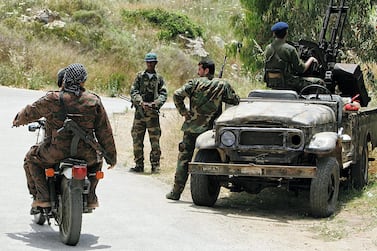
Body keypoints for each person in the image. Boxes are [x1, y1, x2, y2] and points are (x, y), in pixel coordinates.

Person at [13, 63, 117, 210]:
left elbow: (31, 111)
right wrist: (111, 157)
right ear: (83, 81)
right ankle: (91, 197)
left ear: (65, 79)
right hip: (86, 154)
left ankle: (42, 197)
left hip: (55, 152)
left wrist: (18, 120)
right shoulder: (93, 101)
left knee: (31, 158)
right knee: (97, 161)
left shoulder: (53, 98)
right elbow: (105, 132)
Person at [166, 59, 240, 200]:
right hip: (211, 131)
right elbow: (235, 100)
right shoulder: (221, 84)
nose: (197, 72)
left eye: (199, 69)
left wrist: (184, 112)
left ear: (206, 70)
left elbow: (177, 95)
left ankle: (176, 192)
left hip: (192, 128)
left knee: (183, 159)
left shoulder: (194, 83)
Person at [130, 52, 167, 173]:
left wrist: (155, 104)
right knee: (137, 139)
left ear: (156, 63)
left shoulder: (159, 78)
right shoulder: (140, 76)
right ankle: (139, 164)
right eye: (148, 62)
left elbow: (163, 94)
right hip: (140, 114)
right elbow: (133, 91)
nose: (150, 64)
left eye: (152, 62)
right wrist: (141, 102)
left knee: (155, 141)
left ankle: (155, 165)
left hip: (153, 115)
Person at [264, 21, 323, 92]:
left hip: (273, 83)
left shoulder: (268, 48)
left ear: (274, 34)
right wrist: (311, 59)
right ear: (286, 33)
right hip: (288, 83)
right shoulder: (290, 49)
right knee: (320, 83)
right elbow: (301, 69)